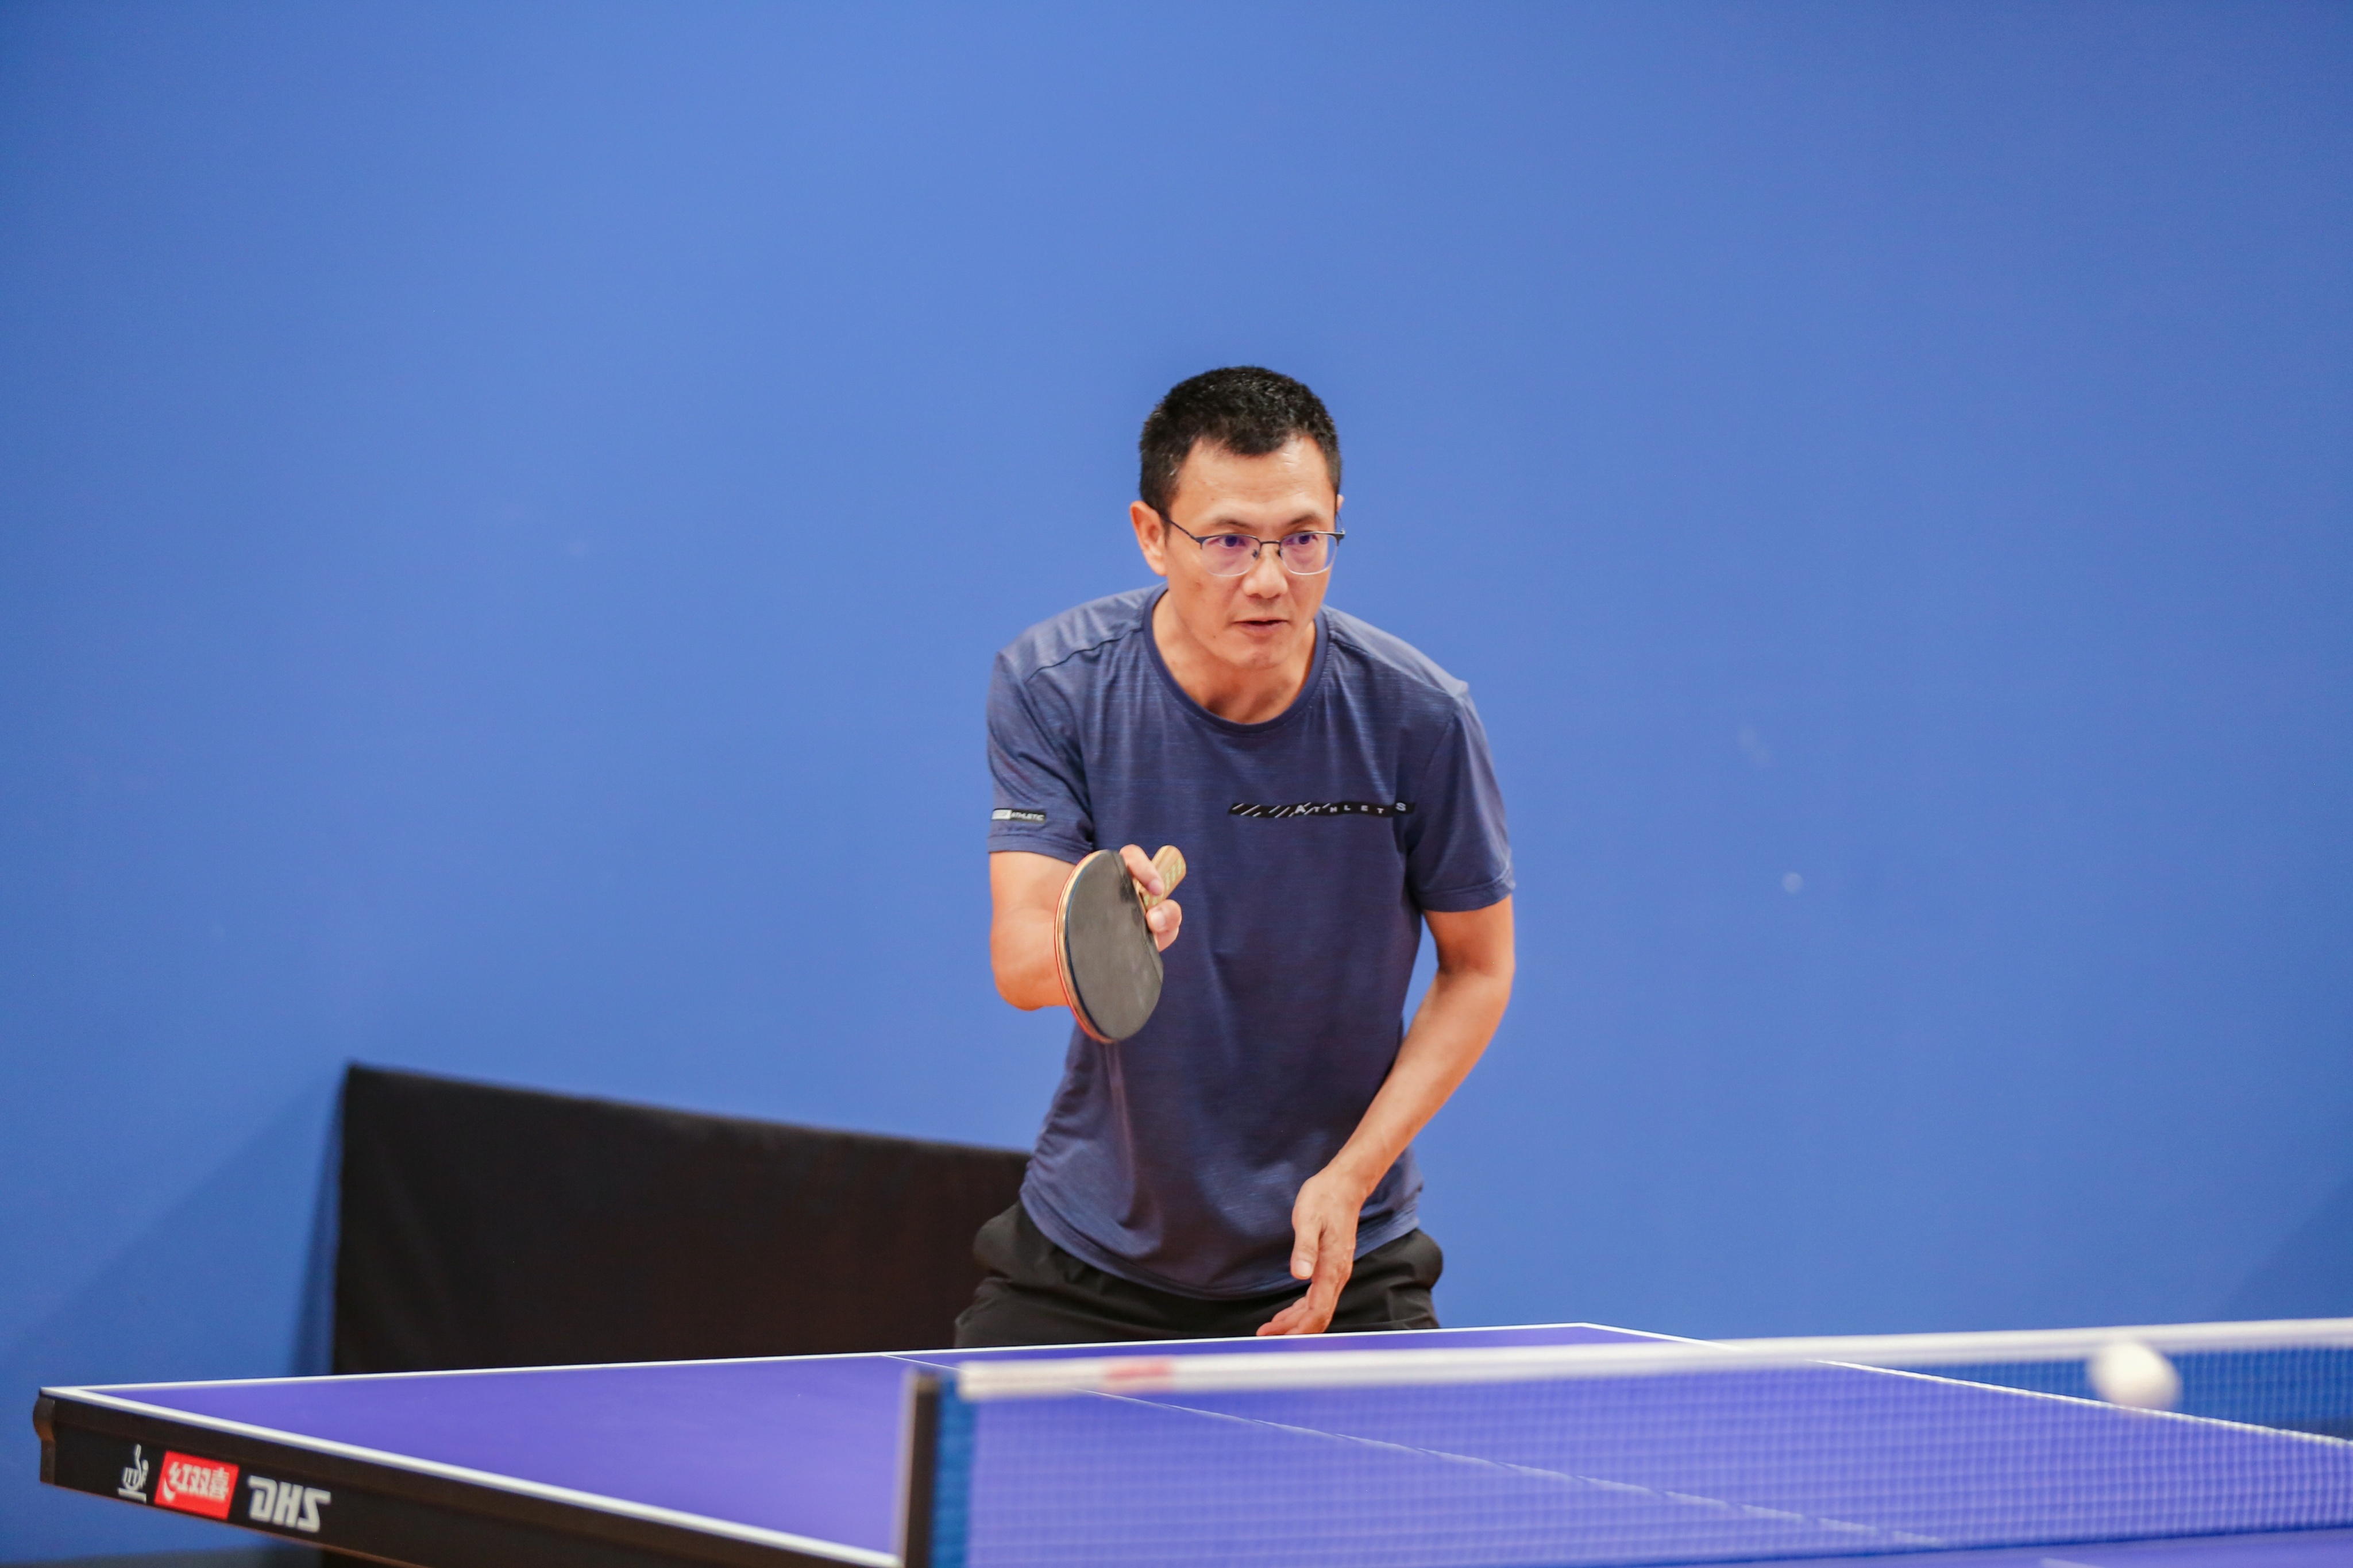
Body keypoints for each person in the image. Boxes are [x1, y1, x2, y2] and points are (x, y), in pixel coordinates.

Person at [958, 366, 1515, 1346]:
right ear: (1152, 535)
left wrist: (1352, 1177)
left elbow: (1478, 968)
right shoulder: (1055, 686)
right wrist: (1103, 937)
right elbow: (1019, 962)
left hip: (1339, 1243)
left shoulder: (1420, 717)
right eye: (1226, 541)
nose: (1268, 579)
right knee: (959, 1447)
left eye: (1303, 539)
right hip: (1093, 1251)